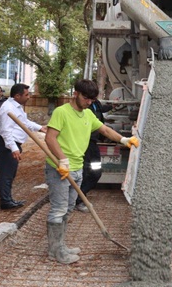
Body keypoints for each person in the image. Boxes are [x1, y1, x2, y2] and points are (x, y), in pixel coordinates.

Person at [44, 79, 140, 264]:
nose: (89, 102)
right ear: (76, 93)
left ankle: (60, 246)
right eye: (86, 98)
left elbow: (105, 130)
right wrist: (62, 160)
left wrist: (124, 140)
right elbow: (50, 138)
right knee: (58, 210)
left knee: (68, 209)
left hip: (77, 167)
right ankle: (54, 252)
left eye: (92, 99)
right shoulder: (61, 112)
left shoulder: (88, 114)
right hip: (59, 169)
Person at [0, 83, 46, 210]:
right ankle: (5, 201)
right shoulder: (8, 108)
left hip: (12, 144)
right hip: (7, 144)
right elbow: (6, 131)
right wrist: (14, 148)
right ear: (17, 96)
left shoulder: (16, 107)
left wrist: (40, 128)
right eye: (26, 95)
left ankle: (8, 199)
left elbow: (24, 122)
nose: (29, 97)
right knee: (7, 174)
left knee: (10, 174)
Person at [74, 98, 113, 213]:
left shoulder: (96, 103)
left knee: (96, 172)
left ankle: (79, 196)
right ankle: (78, 200)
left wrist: (112, 106)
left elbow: (101, 113)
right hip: (86, 144)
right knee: (85, 172)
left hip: (93, 143)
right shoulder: (84, 107)